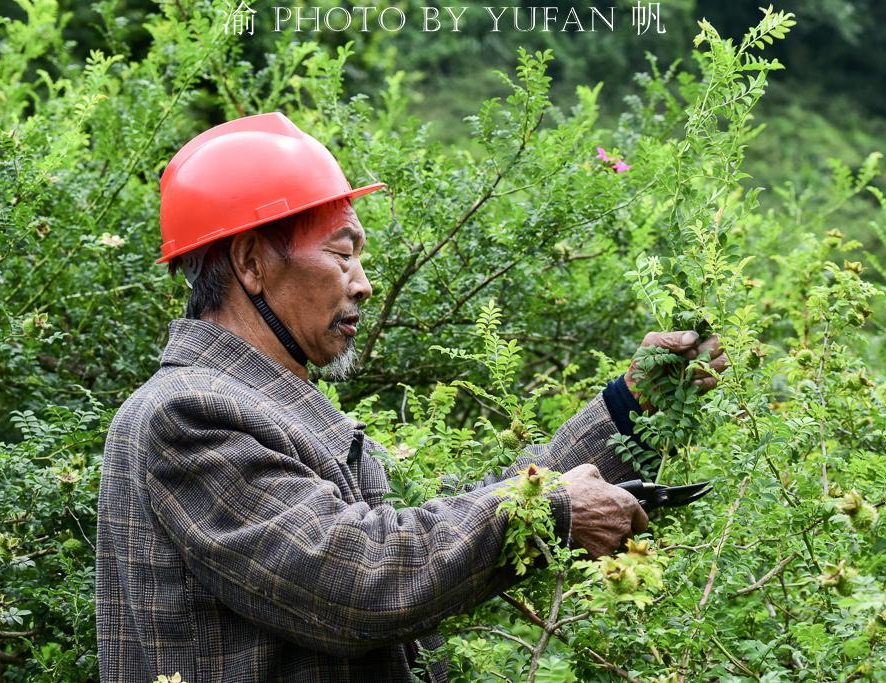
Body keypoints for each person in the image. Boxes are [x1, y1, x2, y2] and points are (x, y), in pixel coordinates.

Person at [95, 113, 726, 682]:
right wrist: (552, 512)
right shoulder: (190, 412)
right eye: (343, 254)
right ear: (252, 262)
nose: (363, 285)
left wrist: (630, 407)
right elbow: (360, 578)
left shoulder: (258, 403)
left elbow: (428, 532)